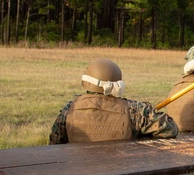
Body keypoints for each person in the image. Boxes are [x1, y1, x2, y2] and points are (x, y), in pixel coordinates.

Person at [49, 58, 179, 144]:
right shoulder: (136, 110)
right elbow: (171, 130)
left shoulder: (69, 110)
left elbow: (54, 144)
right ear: (118, 85)